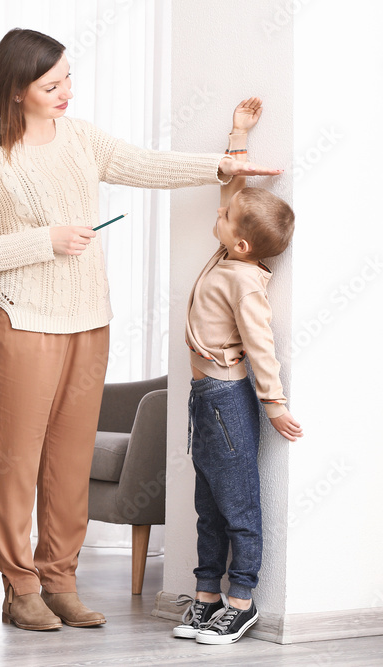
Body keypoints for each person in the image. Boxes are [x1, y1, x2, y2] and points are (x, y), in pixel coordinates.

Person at [0, 28, 284, 632]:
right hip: (21, 321)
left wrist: (222, 164)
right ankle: (18, 585)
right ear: (16, 90)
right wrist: (46, 240)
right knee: (17, 463)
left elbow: (144, 163)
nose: (66, 93)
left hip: (89, 320)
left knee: (69, 460)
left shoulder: (78, 138)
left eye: (69, 79)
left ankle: (59, 580)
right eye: (52, 85)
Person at [173, 97, 302, 645]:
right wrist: (237, 134)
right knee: (206, 500)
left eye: (224, 220)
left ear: (242, 242)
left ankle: (241, 599)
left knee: (237, 502)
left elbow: (261, 343)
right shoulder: (229, 257)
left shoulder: (245, 280)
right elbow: (232, 191)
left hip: (227, 399)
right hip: (204, 399)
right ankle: (205, 594)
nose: (217, 216)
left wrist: (273, 402)